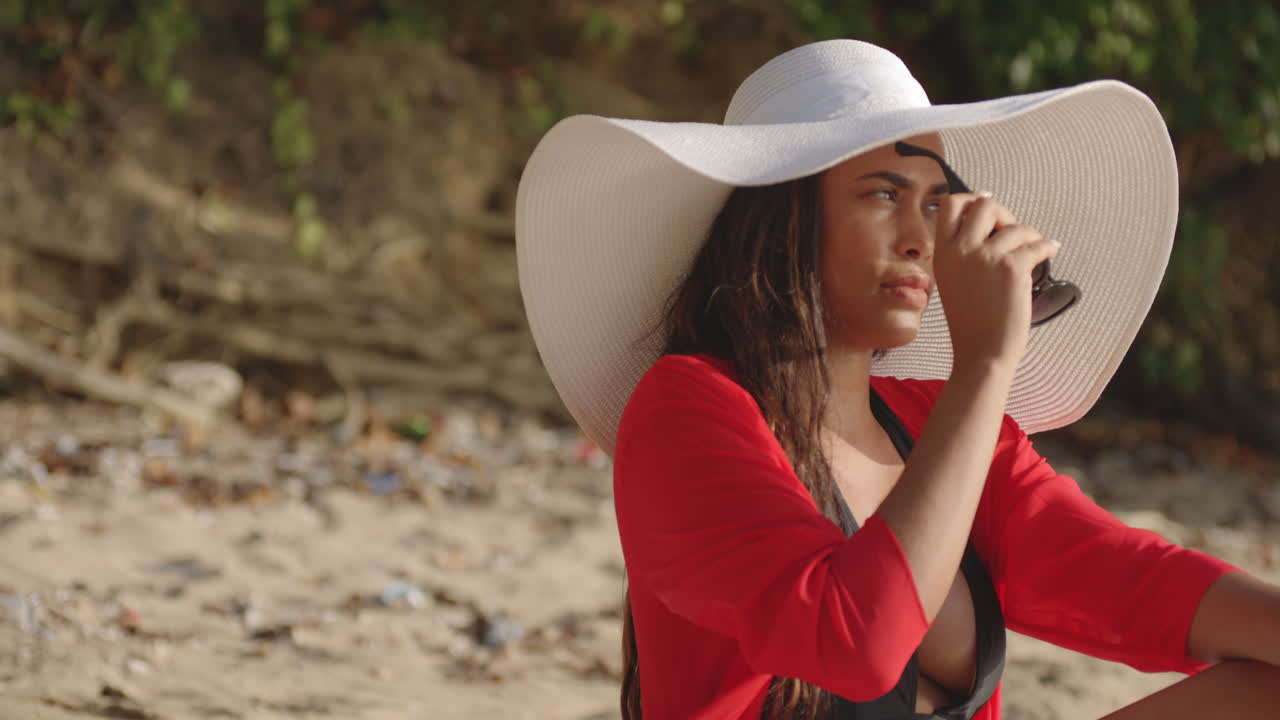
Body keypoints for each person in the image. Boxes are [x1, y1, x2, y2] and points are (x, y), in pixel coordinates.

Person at [514, 39, 1280, 719]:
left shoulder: (929, 419)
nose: (923, 239)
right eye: (884, 195)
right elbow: (855, 641)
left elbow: (1134, 583)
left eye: (937, 202)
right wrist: (984, 363)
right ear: (784, 220)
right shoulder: (688, 409)